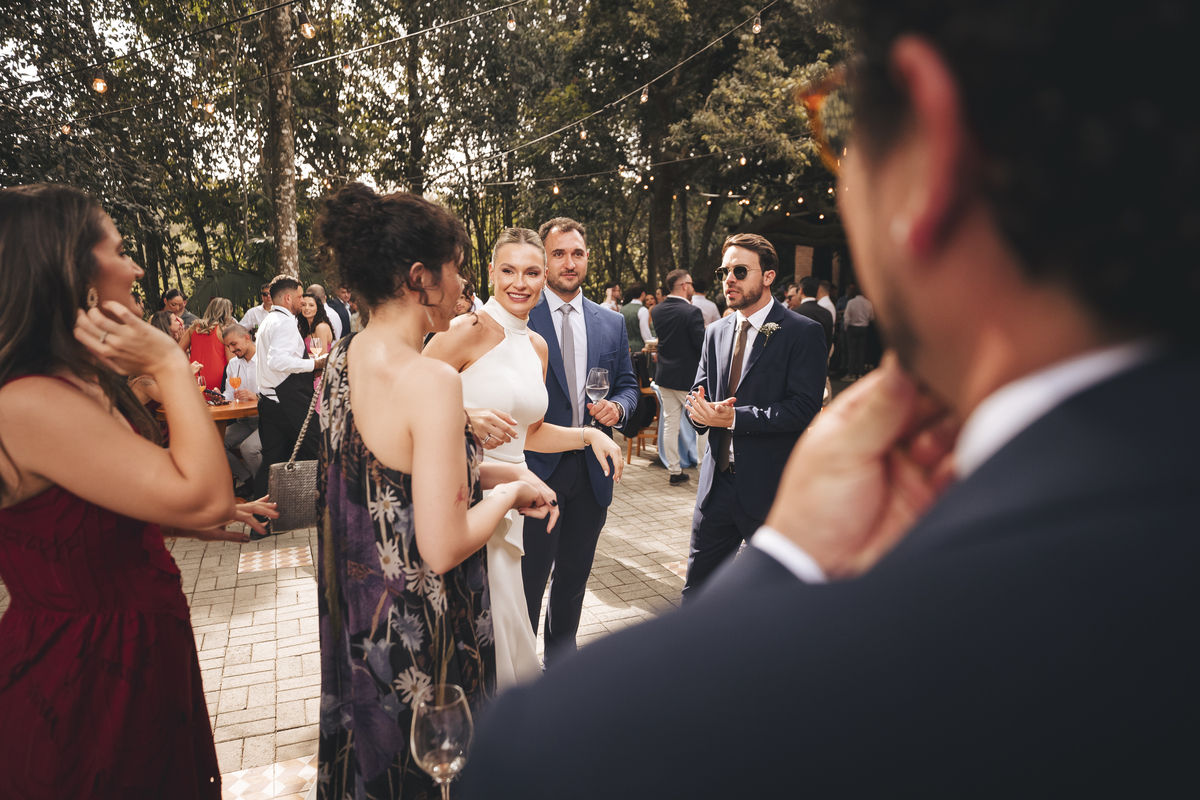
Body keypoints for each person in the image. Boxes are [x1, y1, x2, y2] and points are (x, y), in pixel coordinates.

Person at [463, 0, 1200, 796]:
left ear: (930, 160)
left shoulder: (567, 745)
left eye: (839, 134)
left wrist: (790, 561)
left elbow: (575, 743)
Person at [0, 184, 276, 798]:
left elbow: (82, 510)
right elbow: (203, 491)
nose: (138, 269)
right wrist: (169, 364)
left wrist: (179, 521)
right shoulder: (30, 400)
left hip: (137, 651)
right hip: (80, 679)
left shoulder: (70, 383)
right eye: (121, 251)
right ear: (71, 270)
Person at [313, 183, 556, 799]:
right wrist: (510, 495)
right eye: (457, 268)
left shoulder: (344, 357)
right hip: (420, 634)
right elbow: (443, 545)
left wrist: (498, 474)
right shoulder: (430, 380)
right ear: (420, 278)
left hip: (359, 624)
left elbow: (392, 475)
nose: (464, 284)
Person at [426, 228, 624, 688]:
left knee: (511, 636)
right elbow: (404, 405)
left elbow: (530, 433)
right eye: (509, 271)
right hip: (468, 500)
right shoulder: (465, 331)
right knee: (484, 640)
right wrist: (463, 417)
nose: (520, 283)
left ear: (545, 276)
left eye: (532, 272)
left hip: (516, 504)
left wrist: (588, 437)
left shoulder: (537, 345)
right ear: (491, 273)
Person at [521, 217, 641, 667]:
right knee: (529, 582)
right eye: (559, 254)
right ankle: (518, 675)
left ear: (587, 257)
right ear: (544, 260)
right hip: (537, 469)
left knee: (572, 582)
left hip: (592, 472)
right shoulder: (521, 315)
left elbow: (628, 385)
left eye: (577, 253)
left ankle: (560, 672)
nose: (569, 263)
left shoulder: (610, 322)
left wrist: (619, 409)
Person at [680, 234, 827, 600]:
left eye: (740, 271)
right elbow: (698, 393)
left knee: (775, 599)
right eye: (724, 272)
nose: (729, 279)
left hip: (771, 488)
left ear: (768, 276)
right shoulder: (715, 332)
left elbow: (803, 407)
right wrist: (700, 413)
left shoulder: (802, 332)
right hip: (716, 487)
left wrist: (733, 419)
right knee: (697, 594)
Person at [253, 276, 322, 501]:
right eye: (300, 296)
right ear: (288, 297)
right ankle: (323, 506)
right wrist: (314, 364)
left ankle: (260, 516)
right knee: (321, 448)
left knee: (272, 460)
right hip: (287, 400)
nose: (302, 301)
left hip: (269, 401)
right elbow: (277, 361)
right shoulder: (284, 323)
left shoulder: (269, 320)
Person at [651, 269, 705, 485]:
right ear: (684, 286)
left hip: (665, 376)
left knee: (670, 424)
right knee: (702, 425)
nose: (692, 288)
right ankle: (704, 470)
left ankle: (674, 470)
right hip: (687, 378)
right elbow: (701, 346)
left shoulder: (657, 310)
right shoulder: (692, 312)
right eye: (690, 284)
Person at [221, 323, 261, 497]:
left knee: (248, 448)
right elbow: (229, 394)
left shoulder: (265, 359)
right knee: (216, 443)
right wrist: (221, 397)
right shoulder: (233, 364)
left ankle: (265, 488)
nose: (231, 349)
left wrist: (256, 396)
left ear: (246, 338)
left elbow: (277, 393)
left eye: (233, 344)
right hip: (243, 421)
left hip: (265, 419)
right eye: (228, 346)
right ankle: (250, 482)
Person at [178, 297, 234, 391]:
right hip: (218, 379)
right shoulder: (224, 331)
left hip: (194, 376)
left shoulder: (193, 328)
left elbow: (177, 352)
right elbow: (232, 361)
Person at [298, 291, 335, 378]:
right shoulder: (305, 327)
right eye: (304, 305)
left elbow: (322, 357)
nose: (307, 308)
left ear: (317, 308)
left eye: (311, 305)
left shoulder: (321, 327)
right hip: (309, 371)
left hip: (320, 375)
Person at [794, 275, 834, 349]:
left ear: (801, 290)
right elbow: (829, 340)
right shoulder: (827, 313)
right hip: (820, 354)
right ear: (818, 292)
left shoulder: (794, 313)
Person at [844, 283, 874, 378]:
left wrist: (845, 328)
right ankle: (861, 373)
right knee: (861, 351)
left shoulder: (851, 302)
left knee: (852, 351)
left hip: (852, 327)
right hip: (864, 328)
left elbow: (847, 317)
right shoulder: (869, 303)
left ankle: (851, 373)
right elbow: (872, 317)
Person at [620, 283, 652, 353]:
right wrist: (652, 350)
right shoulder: (642, 310)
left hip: (625, 346)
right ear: (643, 294)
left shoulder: (622, 309)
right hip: (639, 348)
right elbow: (645, 332)